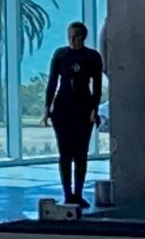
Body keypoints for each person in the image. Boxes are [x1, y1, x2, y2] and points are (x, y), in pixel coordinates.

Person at [42, 21, 104, 208]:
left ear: (83, 37)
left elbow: (98, 86)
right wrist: (47, 107)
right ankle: (67, 193)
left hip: (83, 109)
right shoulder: (61, 55)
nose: (72, 40)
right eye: (70, 36)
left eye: (76, 36)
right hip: (62, 109)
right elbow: (53, 81)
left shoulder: (92, 57)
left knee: (81, 154)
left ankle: (78, 192)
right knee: (65, 153)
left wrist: (94, 109)